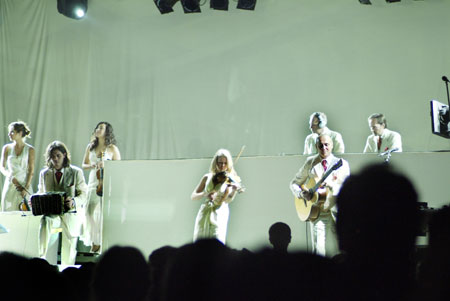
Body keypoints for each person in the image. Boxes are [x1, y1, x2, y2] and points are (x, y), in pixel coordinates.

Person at [290, 134, 350, 257]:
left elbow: (346, 188)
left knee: (342, 247)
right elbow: (294, 183)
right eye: (320, 145)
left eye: (326, 144)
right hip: (317, 210)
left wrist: (332, 186)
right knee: (318, 249)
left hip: (336, 210)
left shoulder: (341, 163)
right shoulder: (311, 162)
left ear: (332, 145)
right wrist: (301, 193)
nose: (323, 147)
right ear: (316, 146)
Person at [37, 141, 87, 265]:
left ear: (64, 155)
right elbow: (41, 192)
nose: (55, 159)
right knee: (45, 220)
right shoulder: (45, 174)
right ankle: (41, 256)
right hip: (53, 214)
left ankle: (67, 271)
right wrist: (35, 200)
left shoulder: (76, 172)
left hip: (71, 214)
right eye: (52, 156)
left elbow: (84, 195)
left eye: (58, 155)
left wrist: (74, 201)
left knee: (69, 248)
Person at [81, 122, 121, 253]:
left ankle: (102, 243)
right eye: (97, 127)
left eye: (101, 128)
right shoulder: (90, 147)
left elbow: (118, 167)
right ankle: (95, 239)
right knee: (88, 212)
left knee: (104, 214)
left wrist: (106, 165)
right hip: (93, 181)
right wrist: (94, 165)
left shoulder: (112, 148)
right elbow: (84, 164)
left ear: (107, 131)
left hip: (106, 183)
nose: (98, 129)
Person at [191, 149, 243, 244]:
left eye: (225, 163)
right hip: (205, 212)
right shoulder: (207, 176)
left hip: (220, 212)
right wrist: (205, 194)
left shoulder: (230, 179)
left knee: (217, 242)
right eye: (220, 163)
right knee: (199, 243)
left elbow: (227, 200)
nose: (222, 166)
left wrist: (234, 190)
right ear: (215, 163)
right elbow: (193, 196)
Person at [1, 121, 35, 211]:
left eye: (12, 132)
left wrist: (25, 188)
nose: (9, 134)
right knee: (8, 210)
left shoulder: (30, 149)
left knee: (25, 211)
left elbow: (31, 170)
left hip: (24, 184)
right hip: (10, 183)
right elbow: (2, 167)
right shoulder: (7, 148)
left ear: (20, 133)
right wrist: (9, 176)